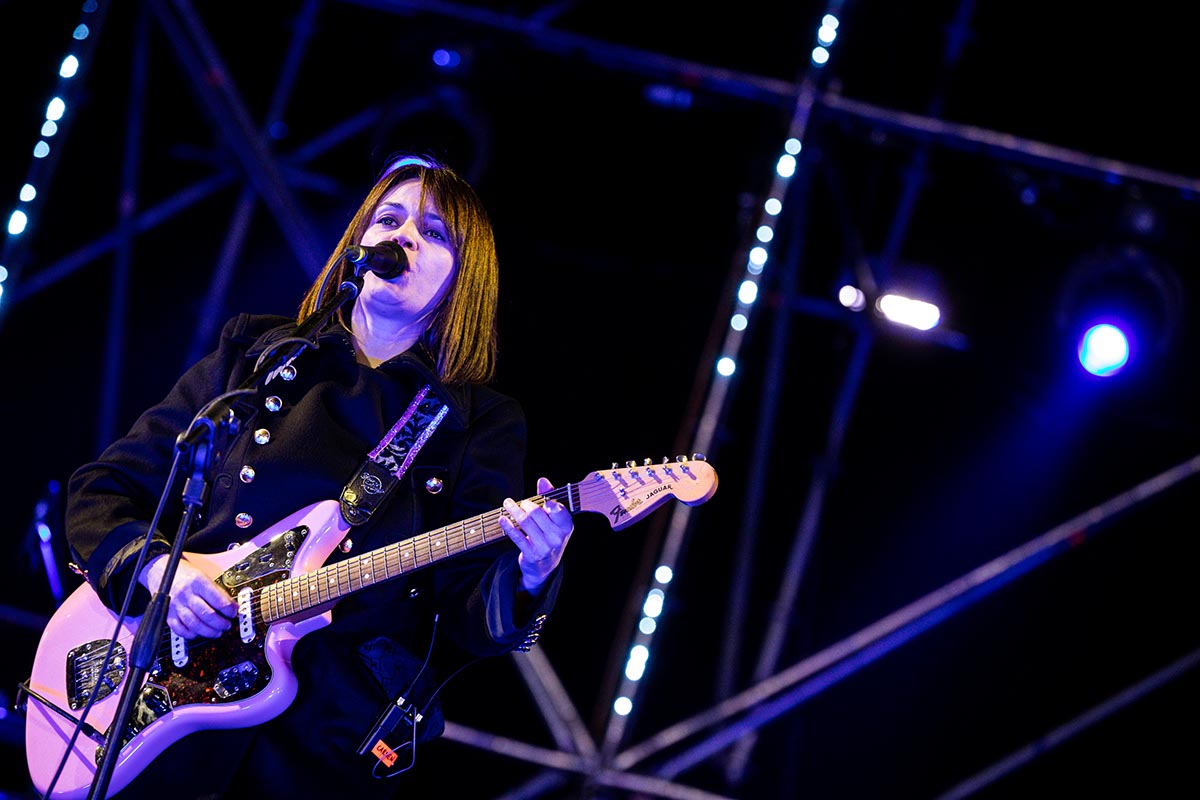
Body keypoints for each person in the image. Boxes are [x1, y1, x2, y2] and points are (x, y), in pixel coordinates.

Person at [60, 153, 574, 799]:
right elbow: (105, 490)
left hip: (321, 738)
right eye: (388, 219)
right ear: (358, 242)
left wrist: (532, 569)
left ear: (464, 278)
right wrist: (163, 572)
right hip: (167, 703)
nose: (401, 237)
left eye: (434, 232)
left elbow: (471, 619)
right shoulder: (259, 354)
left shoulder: (479, 420)